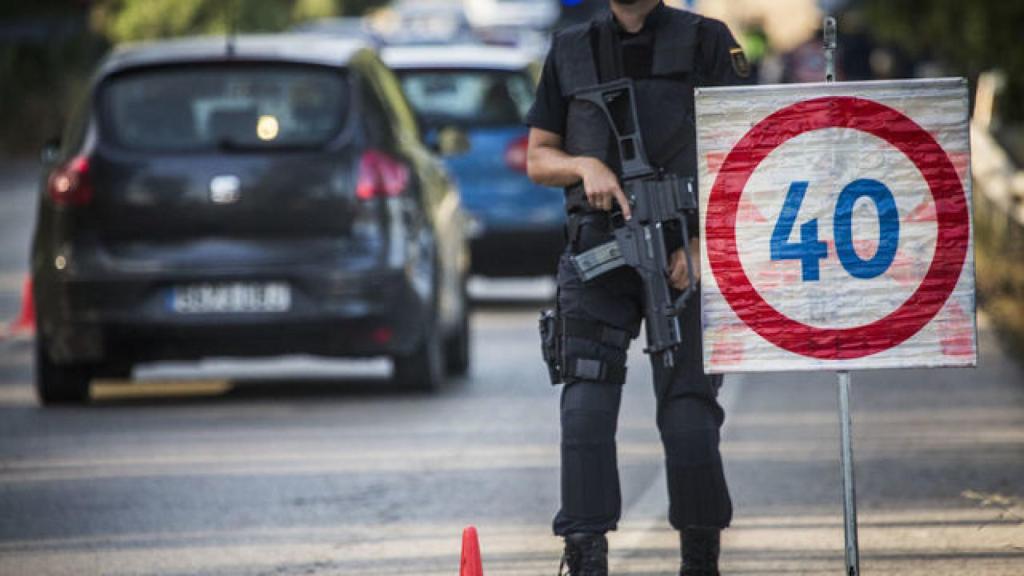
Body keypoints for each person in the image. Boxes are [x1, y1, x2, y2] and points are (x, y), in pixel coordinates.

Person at [525, 1, 749, 574]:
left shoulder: (706, 41)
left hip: (684, 251)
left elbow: (746, 154)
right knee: (585, 409)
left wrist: (699, 249)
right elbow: (537, 157)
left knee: (690, 412)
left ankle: (701, 558)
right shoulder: (571, 47)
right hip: (598, 252)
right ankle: (585, 554)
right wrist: (584, 167)